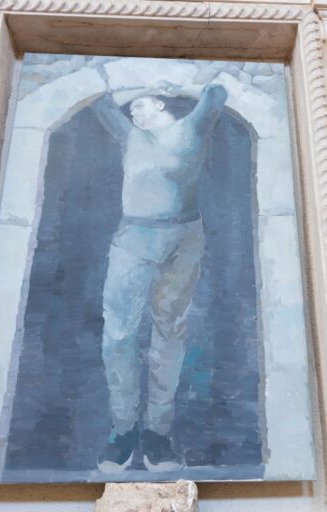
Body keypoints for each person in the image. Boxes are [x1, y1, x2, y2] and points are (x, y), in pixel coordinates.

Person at [90, 81, 228, 473]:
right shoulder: (130, 134)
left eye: (141, 104)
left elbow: (217, 93)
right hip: (134, 237)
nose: (133, 111)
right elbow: (99, 99)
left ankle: (158, 435)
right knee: (118, 334)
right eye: (131, 107)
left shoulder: (192, 128)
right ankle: (123, 431)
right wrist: (126, 82)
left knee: (169, 333)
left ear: (163, 101)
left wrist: (173, 76)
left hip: (184, 238)